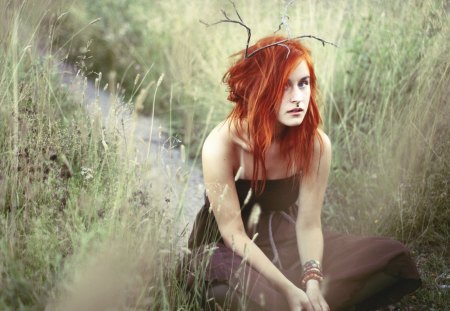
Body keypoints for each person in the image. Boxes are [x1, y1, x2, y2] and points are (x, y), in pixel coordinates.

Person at [183, 35, 421, 310]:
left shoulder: (316, 144)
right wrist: (287, 288)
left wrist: (311, 282)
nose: (298, 97)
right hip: (230, 249)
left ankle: (311, 303)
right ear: (260, 88)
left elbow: (308, 224)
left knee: (392, 258)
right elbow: (233, 233)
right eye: (284, 86)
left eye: (303, 83)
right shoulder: (221, 144)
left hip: (287, 241)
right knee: (237, 291)